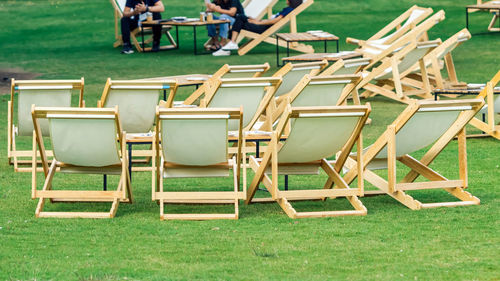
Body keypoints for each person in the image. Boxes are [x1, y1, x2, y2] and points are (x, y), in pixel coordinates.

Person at [213, 0, 302, 56]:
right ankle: (229, 46)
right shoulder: (288, 9)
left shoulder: (289, 10)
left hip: (262, 29)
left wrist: (258, 22)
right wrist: (257, 20)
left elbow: (274, 21)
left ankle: (231, 44)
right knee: (241, 19)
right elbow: (272, 20)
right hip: (261, 26)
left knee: (240, 18)